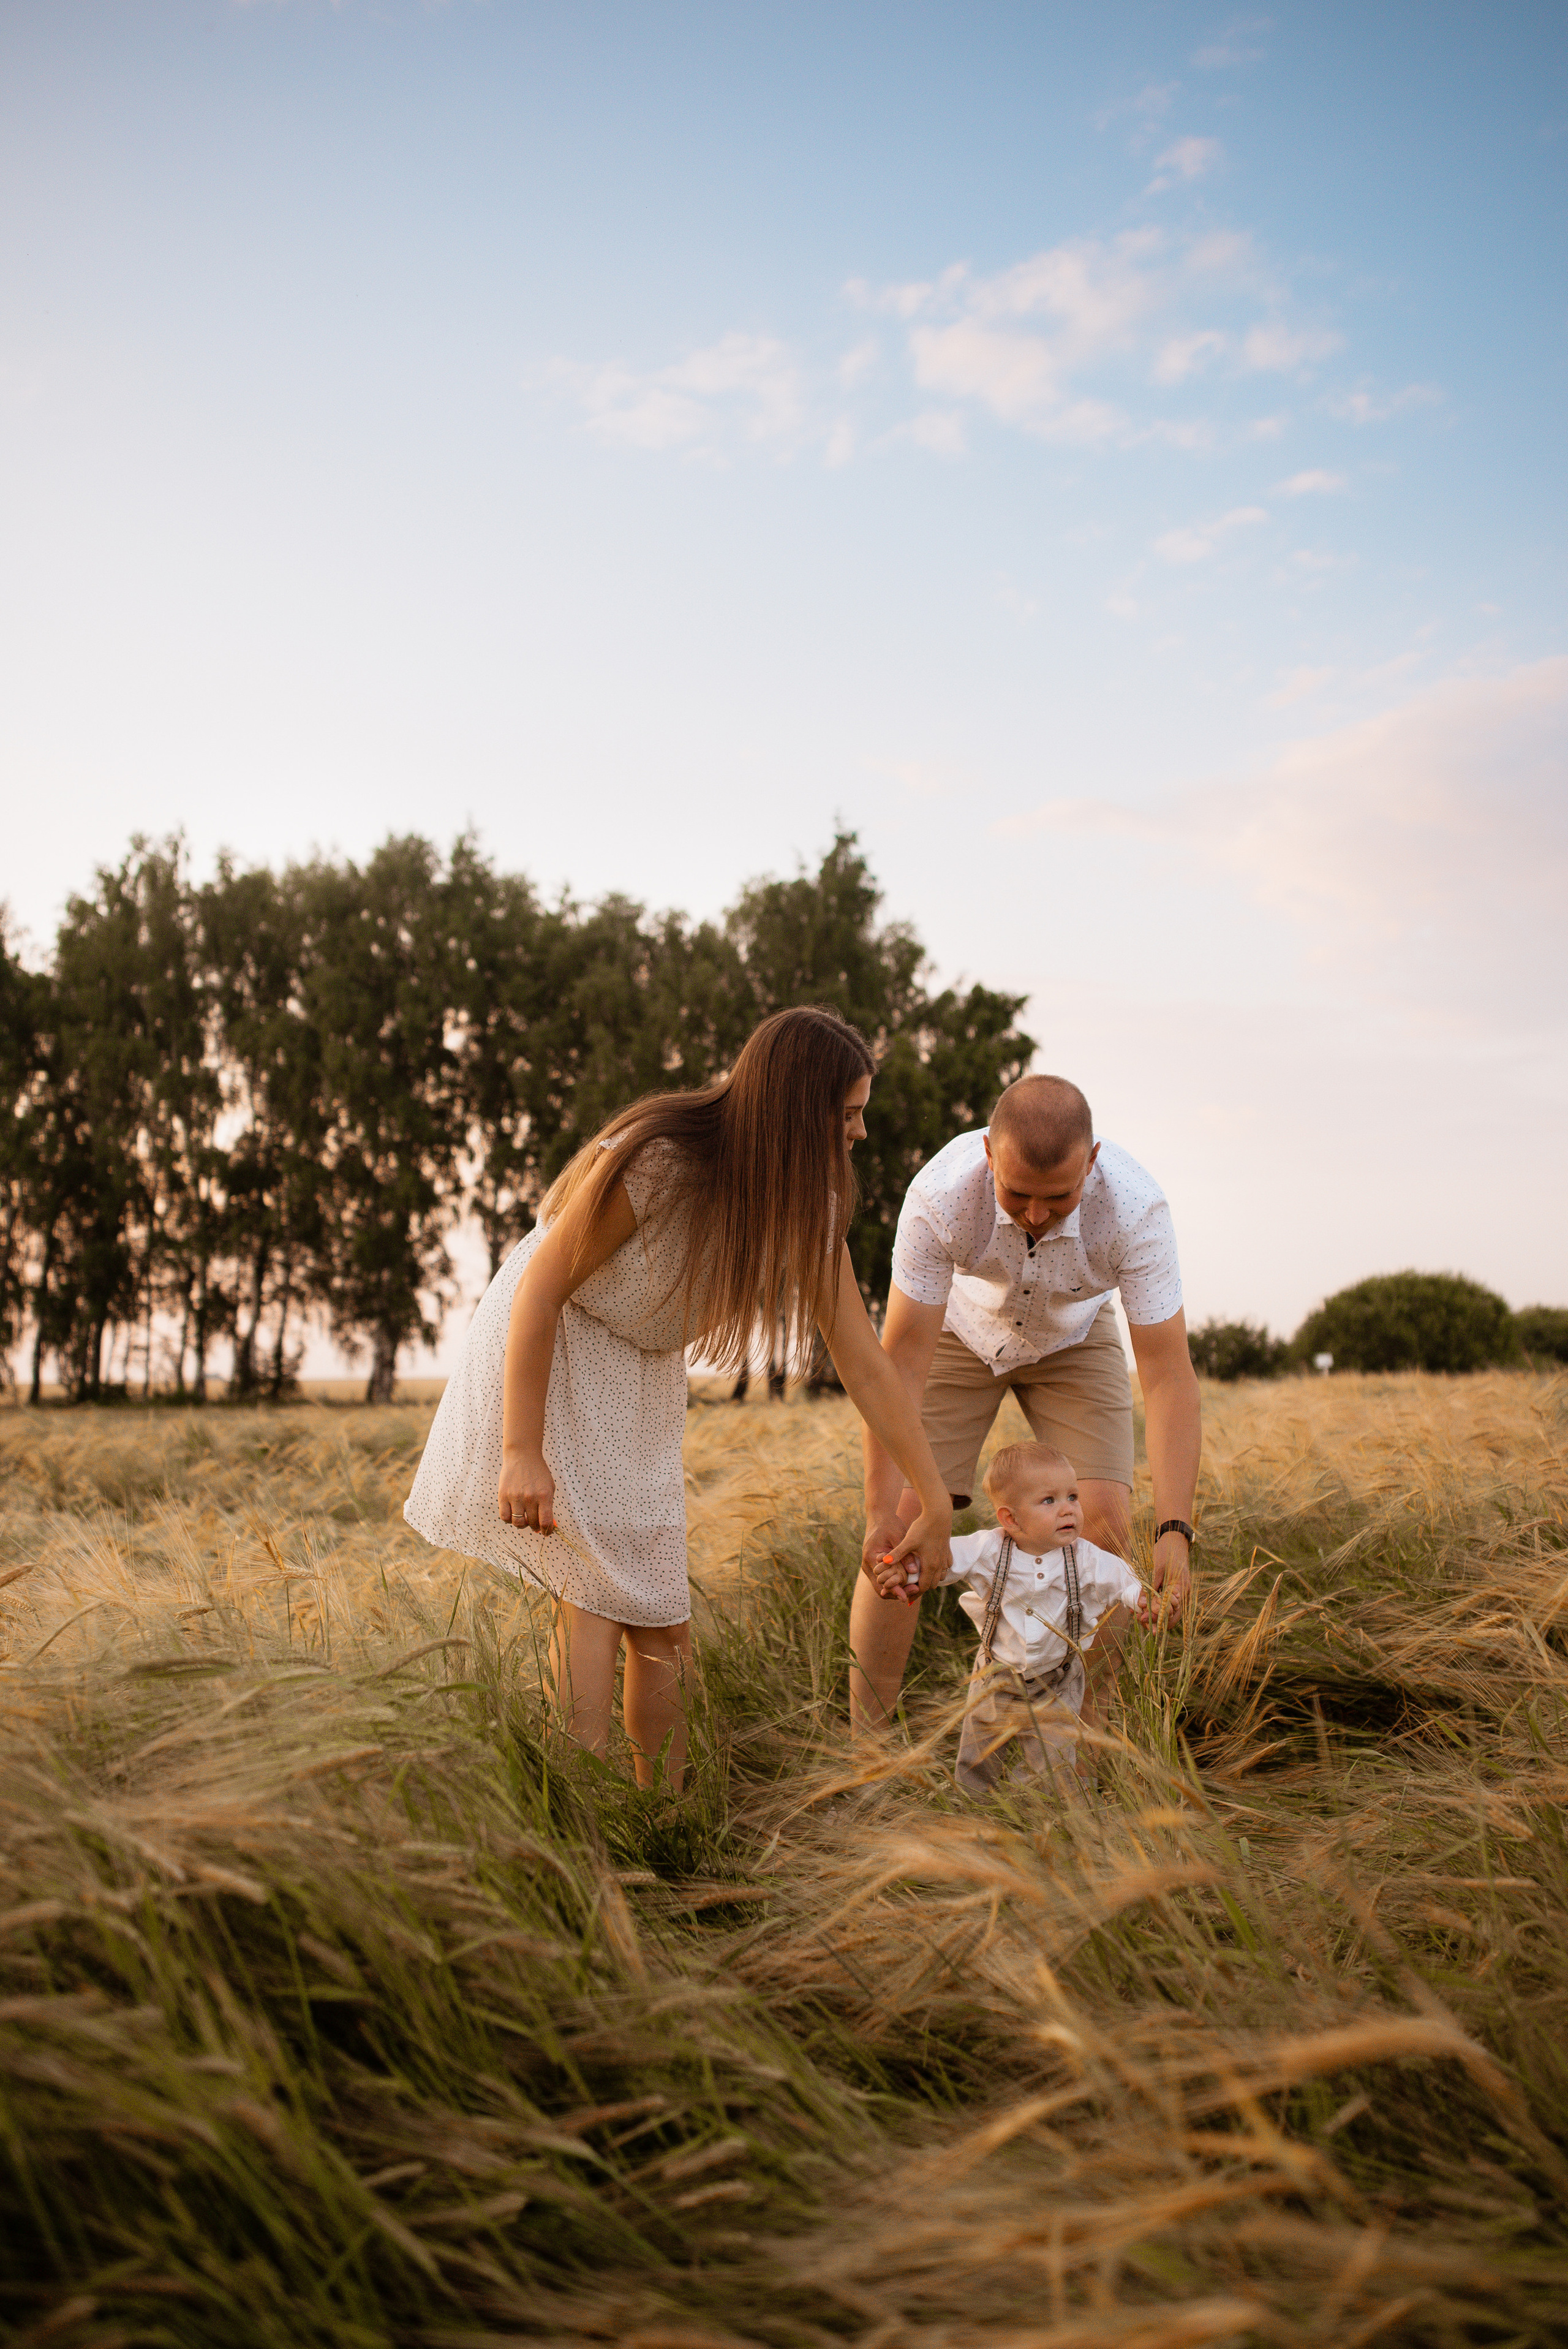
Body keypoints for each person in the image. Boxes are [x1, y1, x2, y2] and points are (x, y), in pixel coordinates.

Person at [404, 1005, 954, 1792]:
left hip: (639, 1369)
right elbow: (541, 1290)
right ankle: (582, 1806)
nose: (858, 1134)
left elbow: (866, 1365)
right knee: (590, 1592)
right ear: (795, 1114)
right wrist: (522, 1449)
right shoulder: (660, 1160)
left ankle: (662, 1812)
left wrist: (932, 1502)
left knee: (661, 1613)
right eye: (846, 1115)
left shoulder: (809, 1205)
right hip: (557, 1343)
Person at [853, 1072, 1199, 1735]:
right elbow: (899, 1364)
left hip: (1075, 1335)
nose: (1035, 1215)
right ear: (987, 1153)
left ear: (1092, 1165)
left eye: (1058, 1198)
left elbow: (1166, 1374)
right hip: (956, 1331)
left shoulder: (1137, 1209)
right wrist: (879, 1512)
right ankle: (866, 1756)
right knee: (902, 1534)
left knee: (1102, 1524)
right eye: (1017, 1194)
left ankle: (1082, 1743)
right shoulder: (939, 1194)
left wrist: (1174, 1532)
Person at [872, 1439, 1145, 1794]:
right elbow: (942, 1558)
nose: (1068, 1510)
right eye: (1050, 1500)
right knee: (978, 1759)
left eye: (1072, 1497)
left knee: (1055, 1766)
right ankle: (973, 1810)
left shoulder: (1088, 1558)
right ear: (1011, 1519)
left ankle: (1048, 1819)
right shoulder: (988, 1548)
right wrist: (905, 1573)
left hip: (1057, 1683)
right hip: (995, 1679)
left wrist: (1143, 1600)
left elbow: (1122, 1579)